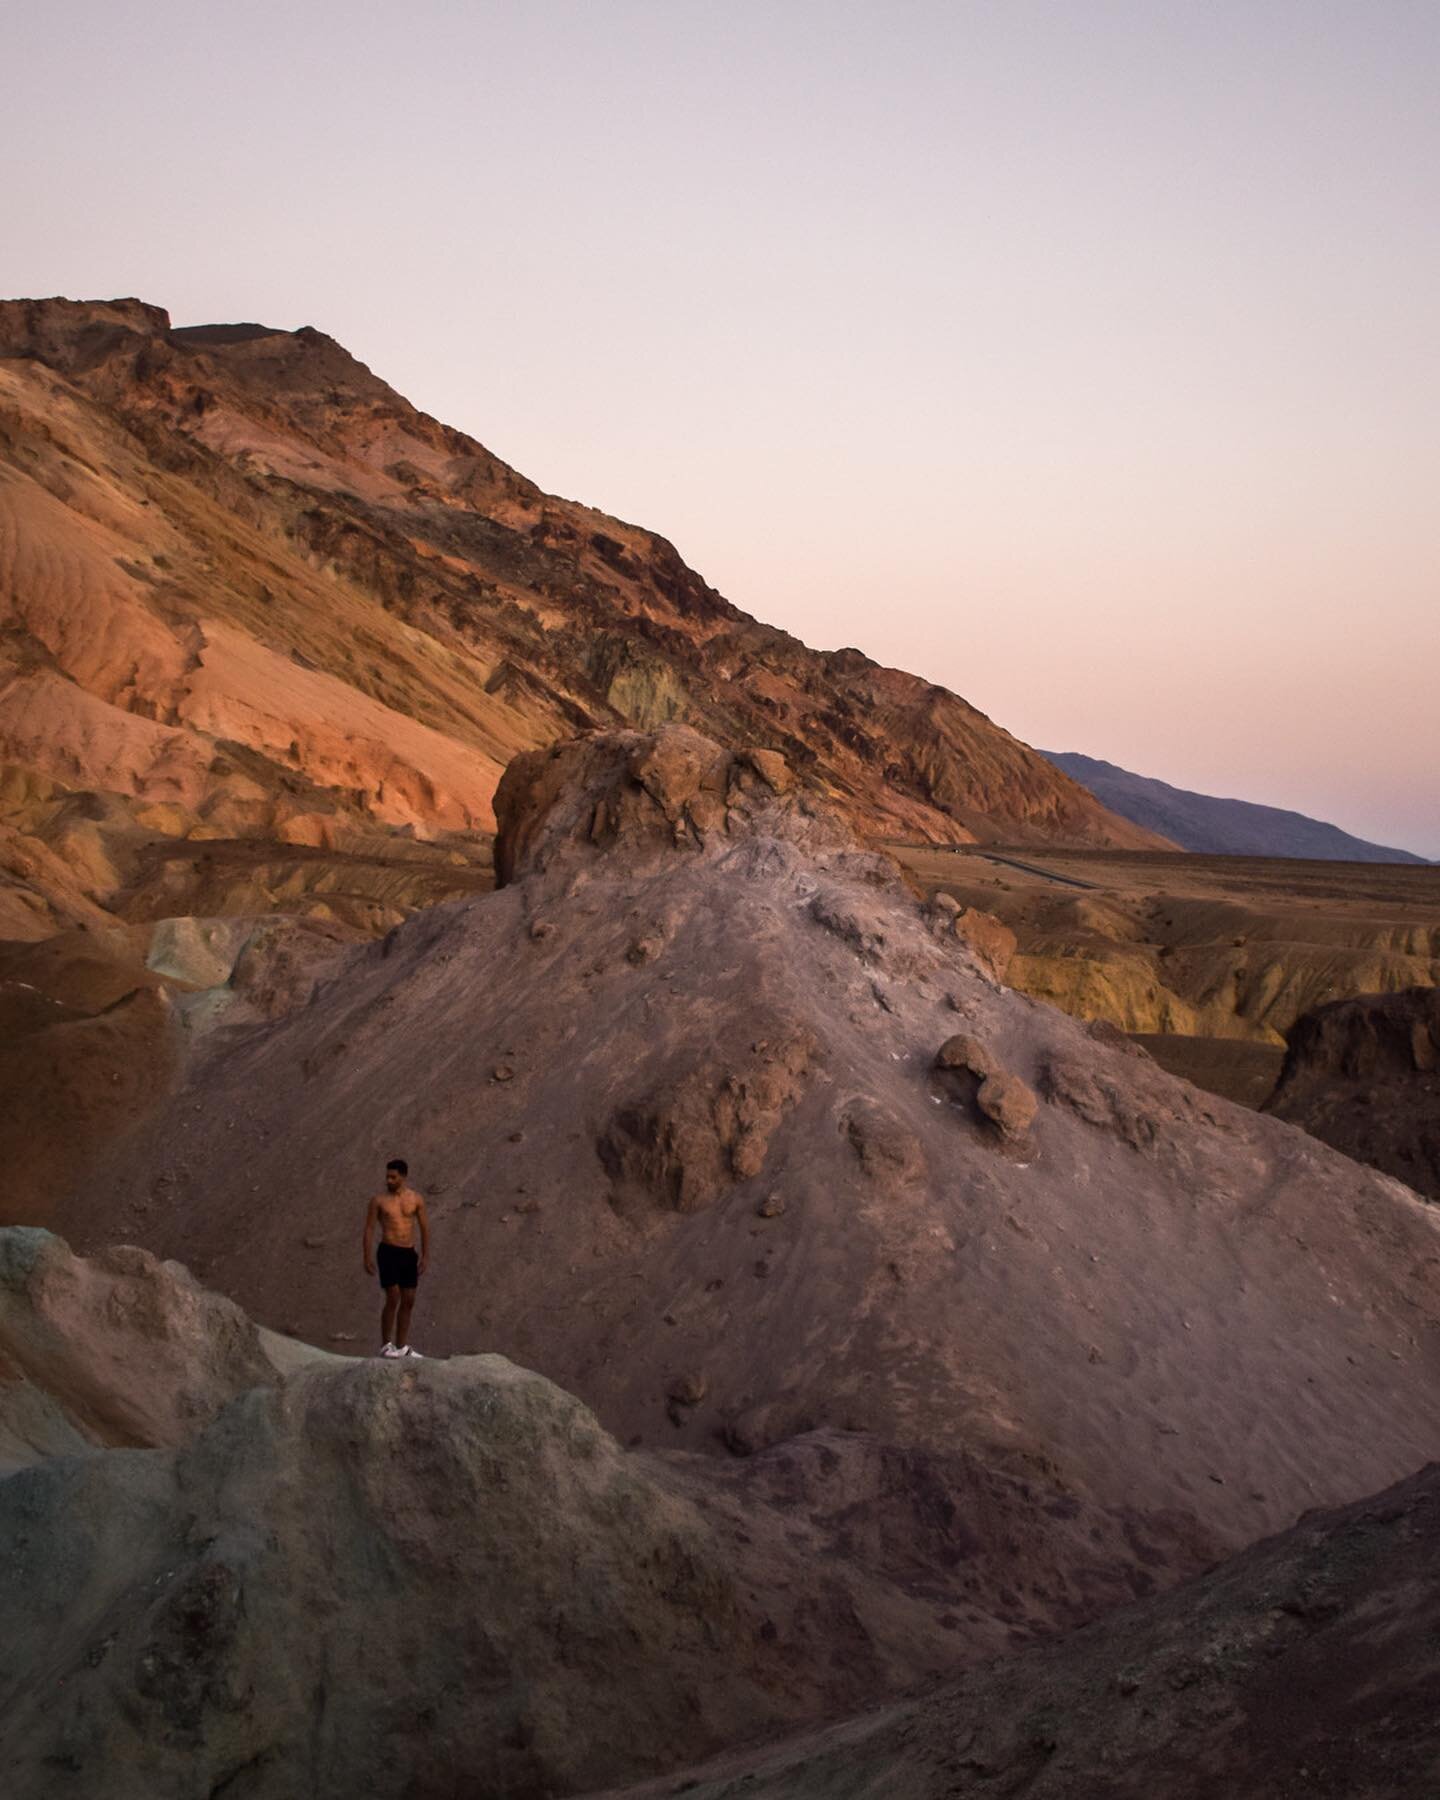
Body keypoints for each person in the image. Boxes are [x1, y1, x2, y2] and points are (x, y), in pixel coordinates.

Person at [362, 1158, 431, 1359]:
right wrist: (367, 1256)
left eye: (393, 1177)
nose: (389, 1180)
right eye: (387, 1177)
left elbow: (424, 1228)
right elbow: (369, 1229)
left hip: (408, 1253)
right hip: (388, 1252)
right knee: (393, 1297)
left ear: (403, 1176)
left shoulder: (416, 1199)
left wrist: (425, 1255)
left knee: (409, 1300)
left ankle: (401, 1347)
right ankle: (385, 1345)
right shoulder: (379, 1200)